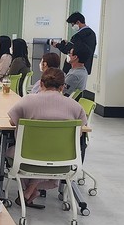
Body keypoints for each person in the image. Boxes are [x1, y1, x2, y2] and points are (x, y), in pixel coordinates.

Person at [8, 68, 88, 209]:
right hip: (61, 161)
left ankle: (29, 190)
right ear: (62, 87)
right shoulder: (75, 107)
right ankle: (32, 189)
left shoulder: (27, 101)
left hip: (28, 159)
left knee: (10, 152)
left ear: (41, 84)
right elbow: (80, 131)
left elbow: (13, 122)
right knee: (48, 151)